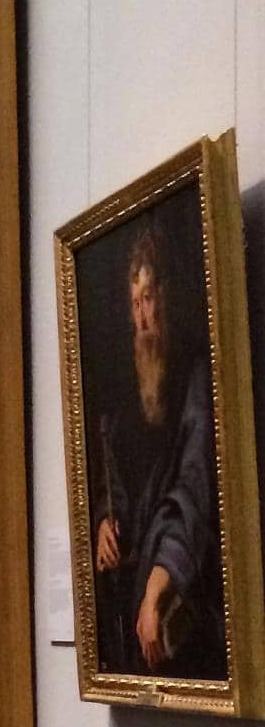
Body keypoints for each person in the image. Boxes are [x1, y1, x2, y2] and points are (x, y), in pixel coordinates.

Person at [90, 223, 220, 677]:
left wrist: (156, 588)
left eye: (150, 298)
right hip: (132, 592)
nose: (143, 317)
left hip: (176, 595)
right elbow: (117, 483)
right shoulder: (126, 400)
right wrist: (105, 521)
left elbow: (194, 491)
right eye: (135, 303)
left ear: (167, 297)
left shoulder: (196, 378)